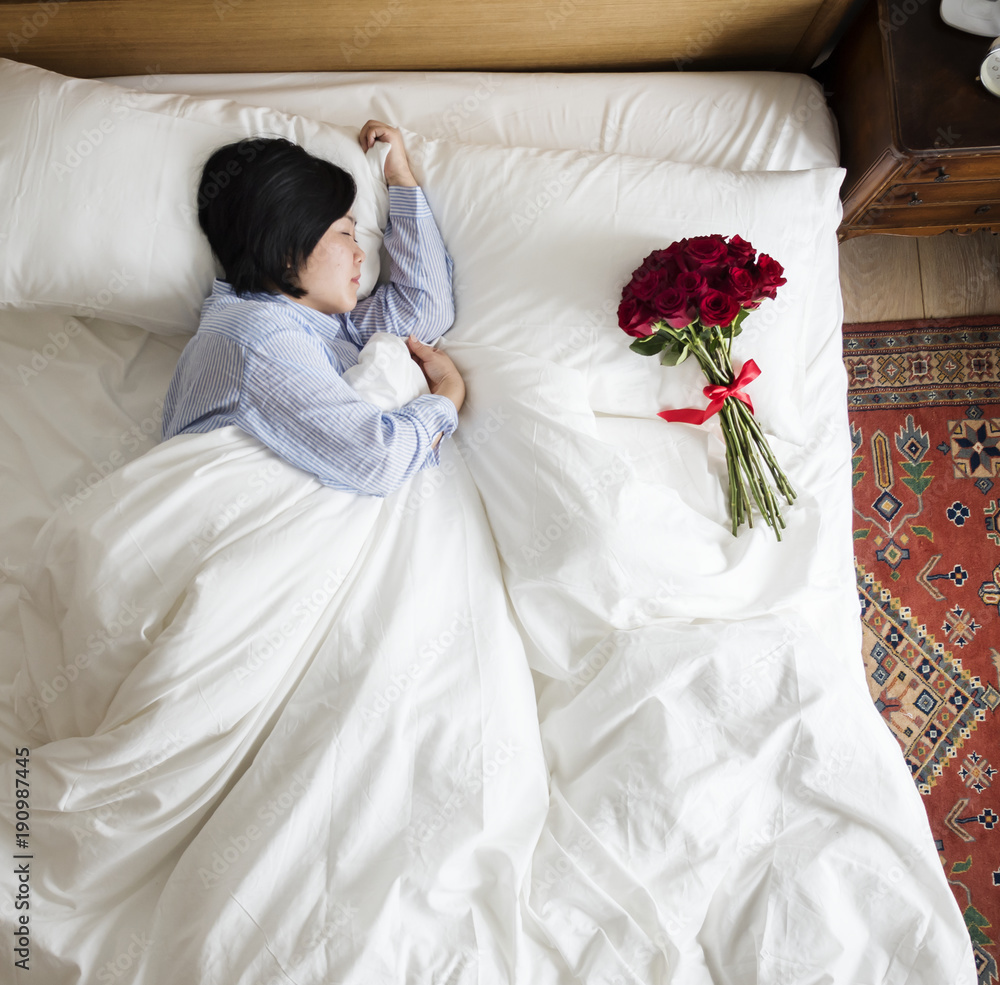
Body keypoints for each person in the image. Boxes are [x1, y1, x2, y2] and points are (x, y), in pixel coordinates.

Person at [161, 120, 465, 497]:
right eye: (344, 233)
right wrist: (447, 398)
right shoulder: (259, 336)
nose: (360, 254)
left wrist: (398, 175)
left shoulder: (320, 322)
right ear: (288, 243)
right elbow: (380, 460)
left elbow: (426, 309)